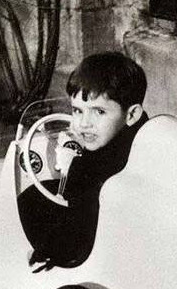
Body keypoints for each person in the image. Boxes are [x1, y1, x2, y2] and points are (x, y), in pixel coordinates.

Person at [18, 51, 149, 270]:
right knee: (35, 196)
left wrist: (49, 248)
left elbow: (85, 200)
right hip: (102, 221)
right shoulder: (126, 136)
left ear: (132, 115)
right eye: (78, 111)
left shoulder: (123, 158)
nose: (84, 123)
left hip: (104, 241)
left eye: (99, 112)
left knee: (31, 202)